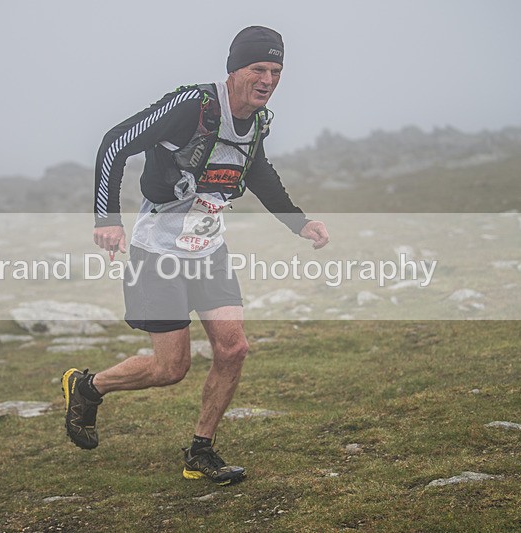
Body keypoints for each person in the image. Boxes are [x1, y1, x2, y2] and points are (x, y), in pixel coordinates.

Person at [62, 25, 329, 486]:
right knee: (171, 369)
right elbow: (114, 144)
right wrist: (107, 217)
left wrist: (299, 222)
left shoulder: (257, 122)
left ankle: (200, 451)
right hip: (157, 250)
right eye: (258, 68)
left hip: (207, 248)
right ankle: (88, 387)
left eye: (276, 70)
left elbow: (258, 170)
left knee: (234, 348)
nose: (268, 79)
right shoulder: (194, 107)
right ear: (235, 70)